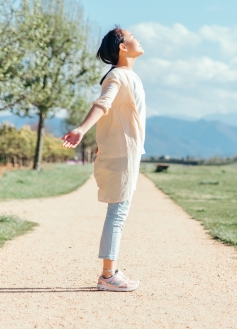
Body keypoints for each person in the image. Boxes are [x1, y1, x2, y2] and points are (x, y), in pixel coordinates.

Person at [62, 26, 145, 292]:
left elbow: (114, 116)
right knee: (117, 213)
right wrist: (81, 129)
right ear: (122, 47)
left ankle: (110, 273)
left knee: (118, 212)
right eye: (132, 36)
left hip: (125, 152)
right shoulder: (118, 77)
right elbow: (103, 104)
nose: (138, 39)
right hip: (122, 154)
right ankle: (108, 276)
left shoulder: (128, 76)